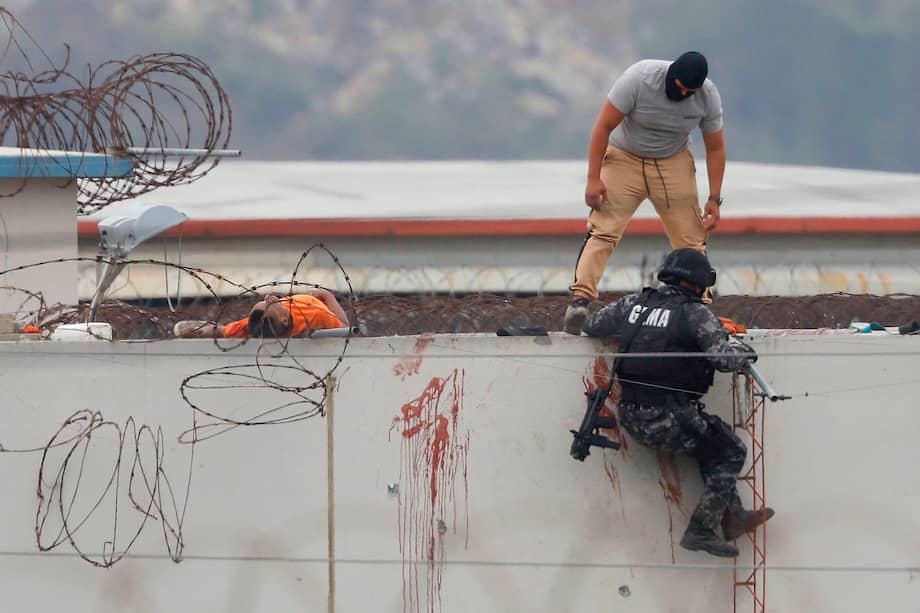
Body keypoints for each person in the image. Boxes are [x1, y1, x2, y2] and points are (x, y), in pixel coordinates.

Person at [583, 248, 774, 557]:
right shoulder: (695, 313)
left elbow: (591, 325)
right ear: (699, 282)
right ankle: (701, 529)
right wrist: (746, 352)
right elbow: (723, 360)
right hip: (668, 416)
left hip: (630, 416)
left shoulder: (634, 304)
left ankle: (733, 516)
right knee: (731, 450)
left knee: (712, 443)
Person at [564, 50, 726, 335]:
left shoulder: (708, 96)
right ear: (670, 75)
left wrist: (714, 197)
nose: (683, 93)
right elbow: (602, 127)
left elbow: (715, 147)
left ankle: (697, 306)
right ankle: (580, 300)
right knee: (604, 229)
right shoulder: (640, 78)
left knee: (691, 238)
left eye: (690, 91)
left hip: (672, 160)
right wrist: (593, 178)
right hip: (625, 156)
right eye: (679, 87)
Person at [174, 288, 349, 338]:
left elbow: (221, 331)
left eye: (265, 301)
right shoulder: (316, 316)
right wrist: (328, 296)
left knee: (225, 330)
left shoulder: (255, 326)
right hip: (320, 299)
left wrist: (195, 332)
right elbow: (346, 328)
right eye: (272, 303)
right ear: (284, 321)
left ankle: (196, 330)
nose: (270, 297)